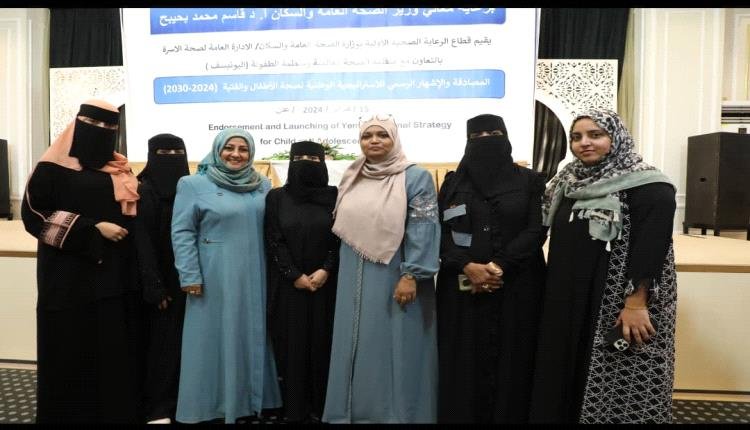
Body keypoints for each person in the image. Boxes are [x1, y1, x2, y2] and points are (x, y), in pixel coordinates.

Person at [530, 108, 677, 423]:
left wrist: (636, 303)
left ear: (616, 138)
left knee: (615, 376)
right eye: (576, 137)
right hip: (566, 297)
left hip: (617, 301)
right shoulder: (565, 183)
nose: (584, 143)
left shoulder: (650, 186)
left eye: (595, 135)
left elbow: (651, 249)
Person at [21, 99, 142, 423]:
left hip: (113, 278)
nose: (101, 132)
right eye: (94, 124)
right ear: (77, 124)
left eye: (109, 127)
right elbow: (34, 215)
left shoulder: (120, 168)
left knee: (111, 351)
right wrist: (92, 228)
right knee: (69, 350)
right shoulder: (51, 168)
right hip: (67, 280)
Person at [322, 114, 441, 424]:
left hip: (396, 272)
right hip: (353, 271)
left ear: (394, 139)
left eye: (382, 135)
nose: (374, 141)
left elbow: (423, 228)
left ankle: (398, 413)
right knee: (356, 341)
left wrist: (412, 273)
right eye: (367, 136)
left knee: (397, 341)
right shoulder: (353, 175)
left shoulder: (415, 177)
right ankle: (352, 410)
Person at [436, 114, 547, 423]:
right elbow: (438, 231)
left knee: (515, 356)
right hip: (462, 288)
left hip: (518, 285)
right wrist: (466, 265)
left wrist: (498, 266)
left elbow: (537, 229)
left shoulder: (530, 181)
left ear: (506, 137)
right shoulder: (452, 184)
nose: (485, 140)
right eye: (477, 136)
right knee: (464, 359)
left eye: (493, 133)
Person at [171, 128, 281, 424]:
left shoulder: (262, 185)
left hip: (256, 273)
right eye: (229, 148)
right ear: (217, 150)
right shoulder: (193, 184)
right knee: (212, 338)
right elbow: (182, 231)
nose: (236, 154)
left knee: (251, 333)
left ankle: (250, 401)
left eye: (243, 149)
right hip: (214, 274)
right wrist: (189, 274)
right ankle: (211, 406)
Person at [264, 140, 340, 423]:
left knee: (324, 344)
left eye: (313, 158)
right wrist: (293, 275)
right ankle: (294, 408)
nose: (307, 163)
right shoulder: (276, 198)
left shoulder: (336, 196)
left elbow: (340, 237)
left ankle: (322, 407)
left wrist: (326, 269)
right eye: (300, 158)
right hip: (289, 287)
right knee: (291, 346)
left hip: (326, 285)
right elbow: (274, 239)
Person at [133, 133, 190, 424]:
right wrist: (154, 286)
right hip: (161, 285)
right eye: (163, 153)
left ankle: (183, 403)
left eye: (177, 153)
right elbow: (142, 243)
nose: (171, 159)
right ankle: (158, 407)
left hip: (189, 282)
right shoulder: (144, 192)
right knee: (160, 347)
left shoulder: (190, 191)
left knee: (184, 345)